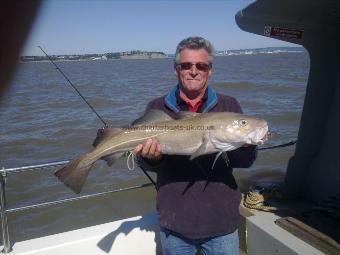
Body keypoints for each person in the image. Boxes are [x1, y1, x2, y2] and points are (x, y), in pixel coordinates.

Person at [133, 36, 257, 255]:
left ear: (210, 70)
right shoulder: (157, 108)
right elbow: (144, 163)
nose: (194, 71)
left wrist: (247, 141)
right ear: (176, 69)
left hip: (221, 220)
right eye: (186, 65)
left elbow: (246, 162)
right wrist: (152, 158)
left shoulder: (228, 106)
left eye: (201, 65)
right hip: (175, 220)